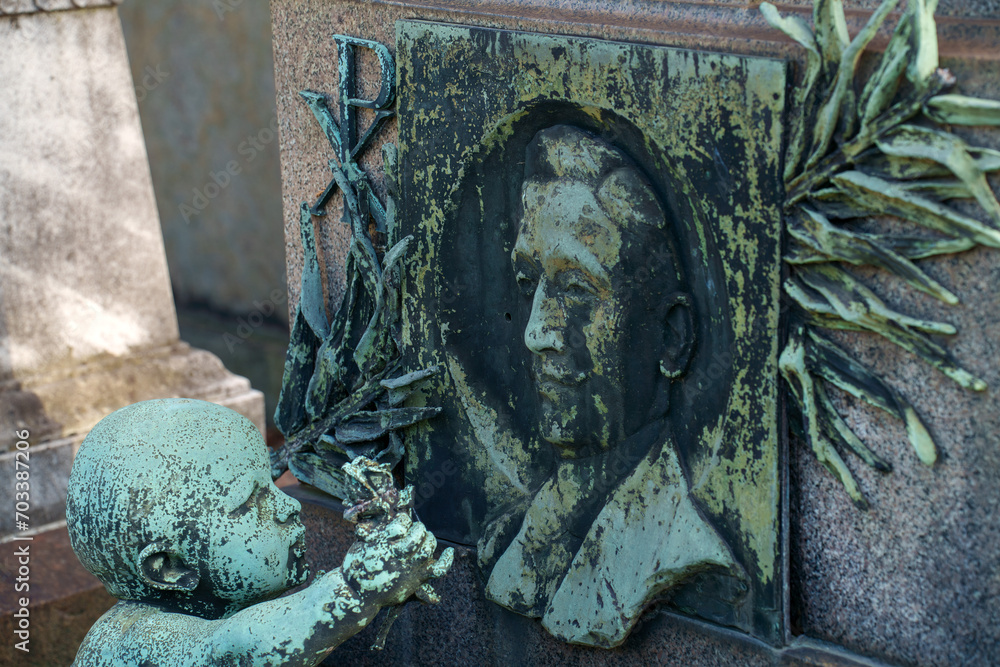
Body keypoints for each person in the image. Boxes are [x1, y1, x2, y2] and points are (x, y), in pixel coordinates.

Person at [480, 125, 743, 648]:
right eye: (529, 283)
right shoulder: (508, 537)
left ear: (672, 338)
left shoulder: (687, 552)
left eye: (577, 287)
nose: (537, 332)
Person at [66, 398, 448, 666]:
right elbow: (237, 651)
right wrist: (358, 588)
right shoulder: (132, 640)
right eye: (252, 503)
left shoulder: (223, 606)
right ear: (169, 568)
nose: (289, 506)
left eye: (272, 483)